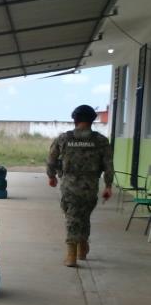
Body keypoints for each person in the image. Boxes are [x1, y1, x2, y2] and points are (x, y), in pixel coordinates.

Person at [47, 104, 114, 267]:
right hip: (90, 187)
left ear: (75, 120)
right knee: (83, 216)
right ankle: (83, 246)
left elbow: (51, 159)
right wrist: (108, 185)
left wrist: (51, 176)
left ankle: (71, 254)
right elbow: (108, 165)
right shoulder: (101, 141)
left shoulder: (64, 139)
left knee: (72, 217)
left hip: (69, 186)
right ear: (92, 120)